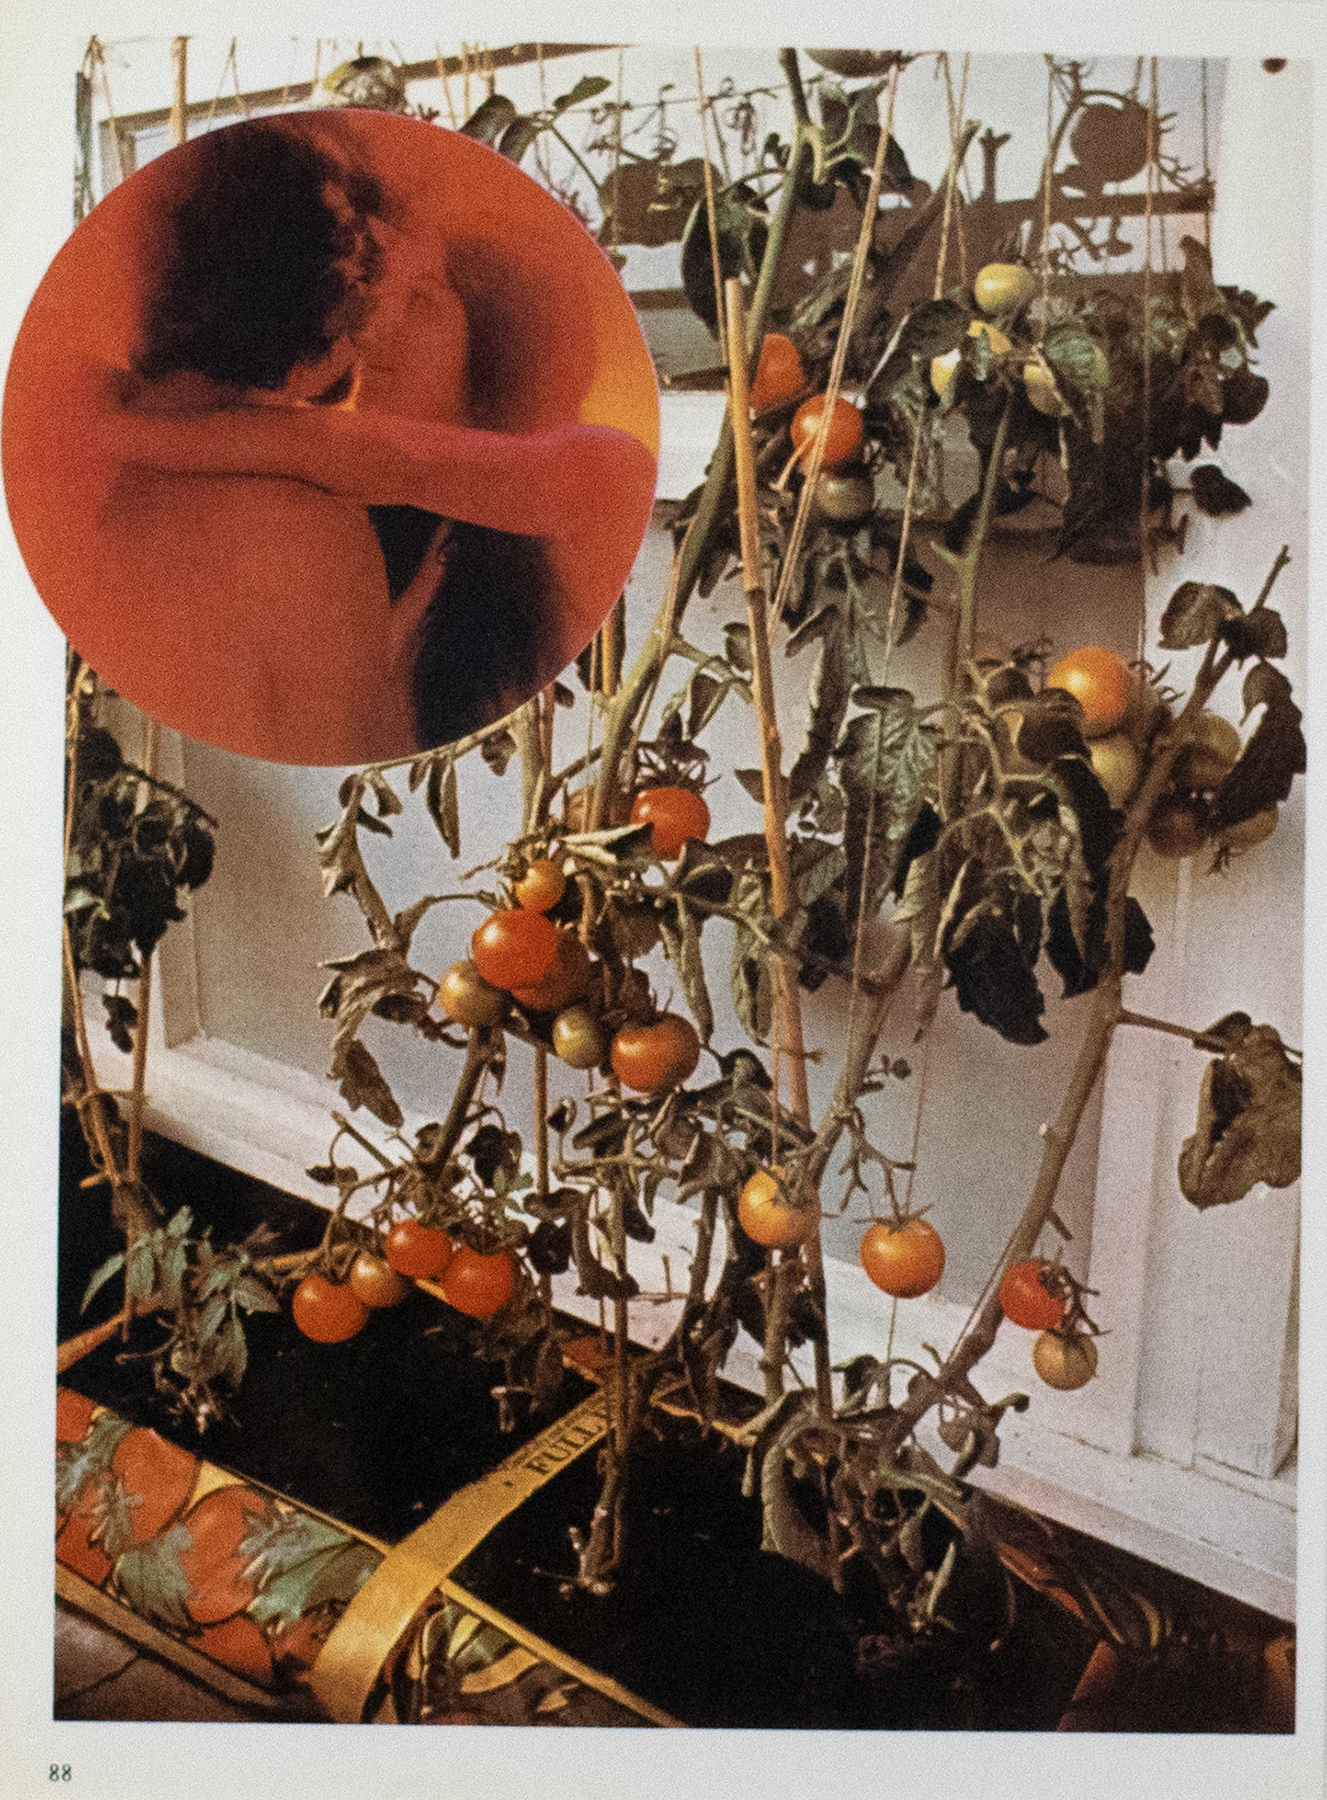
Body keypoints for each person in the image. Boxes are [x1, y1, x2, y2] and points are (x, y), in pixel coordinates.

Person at [4, 112, 657, 764]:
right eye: (359, 289)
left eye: (421, 300)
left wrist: (113, 432)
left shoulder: (566, 499)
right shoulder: (287, 486)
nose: (374, 324)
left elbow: (368, 457)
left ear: (497, 363)